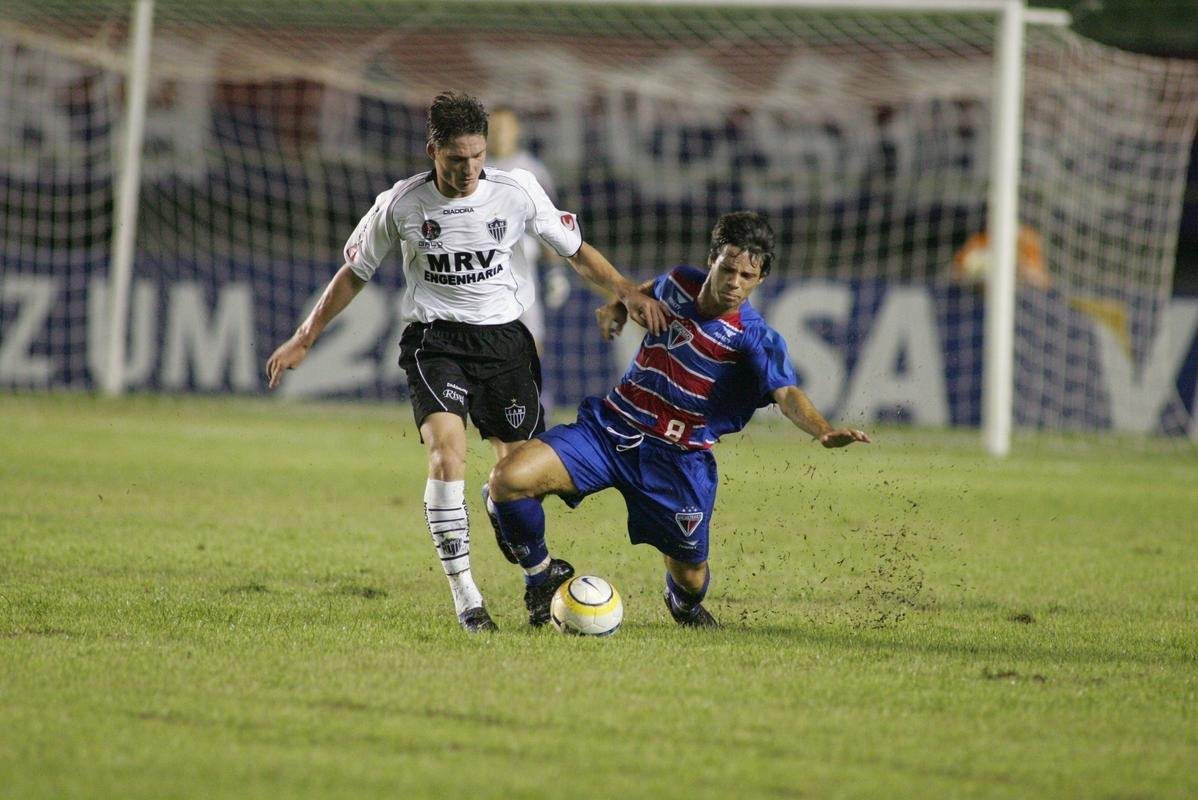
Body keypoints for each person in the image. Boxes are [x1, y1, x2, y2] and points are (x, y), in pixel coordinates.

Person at [265, 91, 667, 633]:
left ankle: (537, 577)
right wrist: (305, 335)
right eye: (457, 159)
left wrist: (624, 289)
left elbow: (575, 250)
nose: (470, 169)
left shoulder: (517, 190)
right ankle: (467, 599)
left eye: (478, 156)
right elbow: (354, 273)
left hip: (506, 344)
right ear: (433, 151)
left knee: (517, 473)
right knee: (446, 456)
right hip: (437, 344)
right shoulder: (400, 205)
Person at [486, 211, 871, 628]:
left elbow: (788, 393)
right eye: (728, 269)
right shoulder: (680, 282)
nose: (735, 283)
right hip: (611, 429)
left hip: (677, 461)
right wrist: (617, 306)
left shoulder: (754, 338)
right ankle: (540, 579)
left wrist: (823, 430)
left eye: (747, 276)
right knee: (507, 481)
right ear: (712, 261)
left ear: (760, 280)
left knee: (692, 577)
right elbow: (644, 291)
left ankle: (682, 602)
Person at [485, 106, 573, 365]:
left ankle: (531, 398)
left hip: (521, 267)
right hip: (480, 265)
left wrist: (556, 272)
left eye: (505, 127)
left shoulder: (533, 170)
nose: (500, 133)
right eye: (495, 128)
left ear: (516, 130)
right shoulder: (474, 168)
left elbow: (550, 225)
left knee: (530, 338)